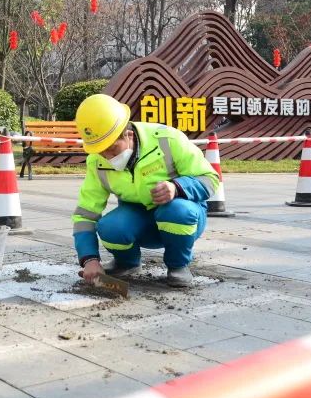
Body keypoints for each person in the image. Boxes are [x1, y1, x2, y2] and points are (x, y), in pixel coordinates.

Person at [71, 94, 219, 288]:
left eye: (113, 149)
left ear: (128, 135)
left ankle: (178, 266)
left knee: (177, 211)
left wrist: (177, 187)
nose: (107, 156)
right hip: (140, 221)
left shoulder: (167, 139)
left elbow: (210, 179)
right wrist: (89, 259)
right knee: (110, 226)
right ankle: (127, 263)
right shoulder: (97, 162)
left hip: (181, 218)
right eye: (101, 150)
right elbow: (85, 215)